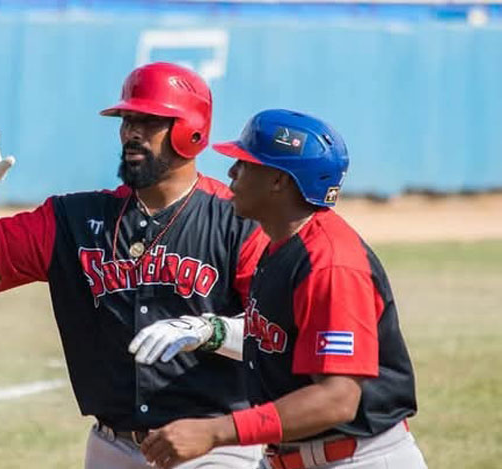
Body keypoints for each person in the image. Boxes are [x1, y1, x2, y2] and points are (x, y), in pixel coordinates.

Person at [0, 62, 268, 468]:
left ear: (191, 130)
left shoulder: (238, 221)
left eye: (148, 121)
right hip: (113, 445)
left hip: (212, 444)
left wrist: (210, 331)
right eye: (126, 120)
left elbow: (276, 333)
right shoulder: (75, 217)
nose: (131, 133)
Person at [129, 109, 427, 469]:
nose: (231, 173)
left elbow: (337, 400)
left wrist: (216, 432)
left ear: (278, 181)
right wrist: (209, 330)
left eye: (245, 163)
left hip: (356, 460)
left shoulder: (330, 264)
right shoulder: (280, 247)